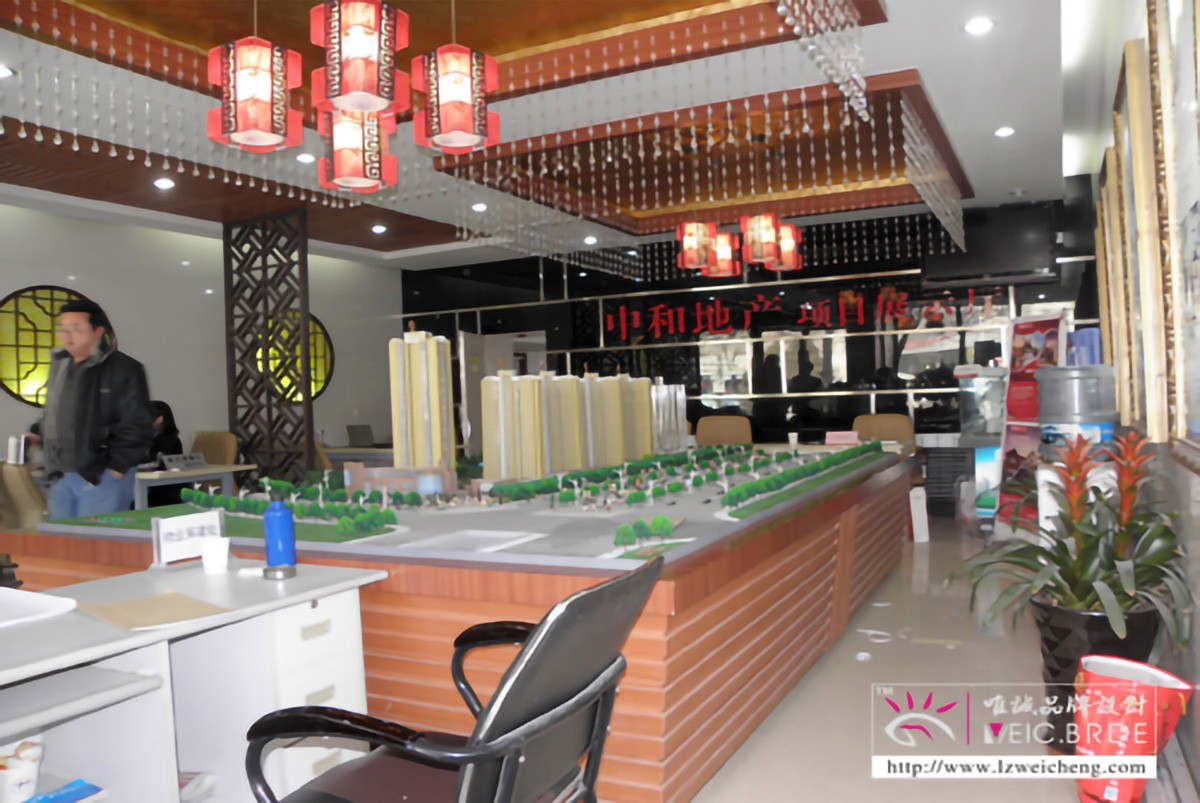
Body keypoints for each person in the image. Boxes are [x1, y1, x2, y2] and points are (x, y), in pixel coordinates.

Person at [28, 300, 153, 519]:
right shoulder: (61, 365)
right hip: (62, 473)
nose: (67, 335)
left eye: (76, 328)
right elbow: (58, 412)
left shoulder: (122, 368)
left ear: (98, 331)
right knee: (61, 537)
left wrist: (117, 467)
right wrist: (38, 432)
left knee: (97, 537)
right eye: (62, 328)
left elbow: (137, 422)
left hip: (101, 473)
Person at [146, 400, 184, 507]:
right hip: (153, 491)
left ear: (160, 419)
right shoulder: (153, 439)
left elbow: (156, 465)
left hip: (164, 496)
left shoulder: (169, 440)